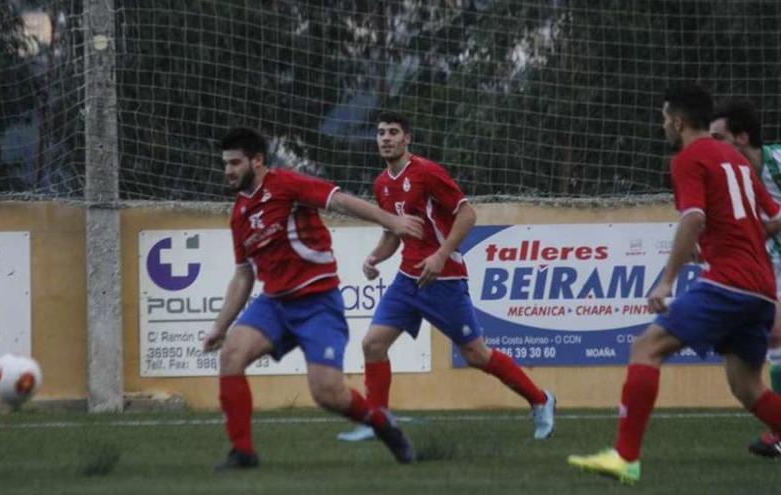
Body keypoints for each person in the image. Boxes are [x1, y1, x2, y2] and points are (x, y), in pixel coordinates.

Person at [568, 84, 781, 484]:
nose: (663, 124)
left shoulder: (688, 159)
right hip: (762, 288)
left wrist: (667, 281)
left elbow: (694, 218)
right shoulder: (736, 161)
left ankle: (625, 458)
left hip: (728, 283)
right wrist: (733, 236)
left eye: (665, 117)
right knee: (747, 386)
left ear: (679, 121)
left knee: (646, 347)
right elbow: (773, 215)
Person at [203, 127, 425, 470]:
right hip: (274, 304)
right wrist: (220, 326)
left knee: (327, 394)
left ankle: (383, 425)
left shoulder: (286, 185)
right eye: (226, 164)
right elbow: (244, 273)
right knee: (231, 354)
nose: (228, 170)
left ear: (257, 161)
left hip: (317, 303)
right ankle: (243, 452)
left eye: (235, 163)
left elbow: (339, 200)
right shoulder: (240, 214)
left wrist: (391, 221)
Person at [336, 111, 555, 443]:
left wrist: (440, 255)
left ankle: (540, 399)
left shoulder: (427, 172)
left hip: (445, 280)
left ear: (407, 138)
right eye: (381, 132)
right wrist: (374, 257)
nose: (385, 138)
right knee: (372, 344)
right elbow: (394, 233)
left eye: (393, 132)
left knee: (476, 355)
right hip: (407, 281)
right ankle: (378, 420)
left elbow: (468, 214)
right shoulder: (381, 184)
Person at [710, 99, 781, 457]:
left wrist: (763, 230)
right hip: (771, 267)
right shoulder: (729, 177)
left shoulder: (776, 160)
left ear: (741, 137)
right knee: (776, 342)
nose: (709, 145)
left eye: (717, 137)